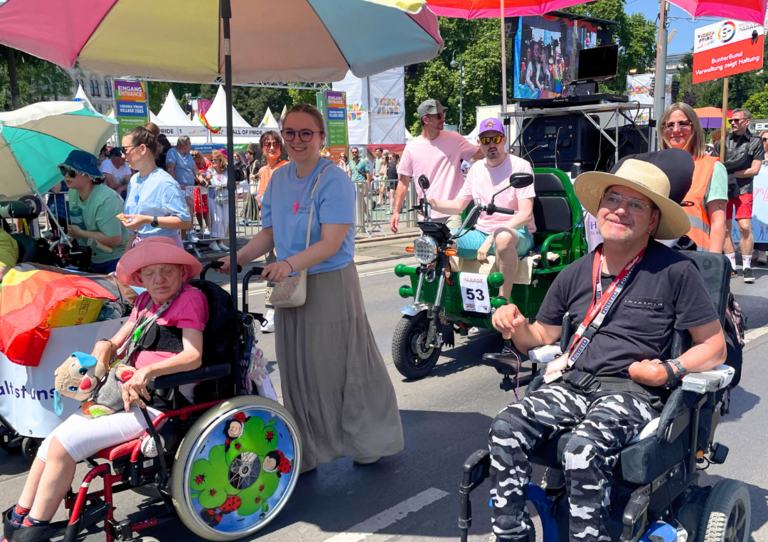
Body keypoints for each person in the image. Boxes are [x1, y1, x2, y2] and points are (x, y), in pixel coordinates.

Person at [486, 152, 726, 542]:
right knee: (505, 426)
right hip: (573, 384)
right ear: (599, 209)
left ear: (653, 220)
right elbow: (540, 336)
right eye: (612, 199)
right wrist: (513, 324)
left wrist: (668, 370)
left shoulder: (676, 271)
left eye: (635, 205)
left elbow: (714, 346)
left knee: (582, 449)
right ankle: (512, 535)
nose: (619, 210)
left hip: (633, 392)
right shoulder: (576, 272)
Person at [217, 104, 403, 472]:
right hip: (290, 283)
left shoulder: (335, 180)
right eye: (290, 132)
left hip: (329, 282)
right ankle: (307, 446)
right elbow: (269, 233)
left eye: (306, 133)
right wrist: (237, 258)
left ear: (321, 137)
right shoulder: (278, 178)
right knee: (297, 368)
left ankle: (367, 439)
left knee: (339, 365)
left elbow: (331, 243)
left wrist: (288, 263)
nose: (297, 140)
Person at [4, 237, 205, 540]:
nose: (158, 279)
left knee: (63, 445)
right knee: (51, 442)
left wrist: (148, 370)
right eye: (150, 273)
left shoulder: (190, 299)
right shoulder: (146, 302)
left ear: (181, 271)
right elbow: (119, 340)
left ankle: (35, 527)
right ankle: (22, 515)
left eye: (166, 271)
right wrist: (104, 345)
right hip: (124, 393)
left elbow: (193, 355)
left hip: (160, 401)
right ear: (140, 278)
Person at [429, 118, 535, 300]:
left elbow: (525, 214)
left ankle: (503, 302)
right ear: (479, 143)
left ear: (504, 139)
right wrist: (432, 202)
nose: (491, 144)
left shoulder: (520, 166)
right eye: (486, 140)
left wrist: (493, 236)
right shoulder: (476, 169)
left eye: (496, 139)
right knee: (439, 240)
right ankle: (453, 298)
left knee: (502, 238)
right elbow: (458, 205)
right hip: (481, 234)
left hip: (517, 234)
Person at [391, 99, 483, 233]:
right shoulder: (411, 148)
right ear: (426, 120)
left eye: (443, 114)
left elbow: (480, 154)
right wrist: (396, 212)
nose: (443, 119)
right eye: (439, 115)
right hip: (428, 213)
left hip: (453, 210)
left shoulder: (455, 139)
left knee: (451, 244)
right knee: (428, 247)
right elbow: (403, 182)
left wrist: (491, 142)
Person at [658, 103, 727, 253]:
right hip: (655, 256)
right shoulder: (653, 167)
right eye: (669, 125)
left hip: (694, 256)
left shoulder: (712, 167)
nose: (676, 130)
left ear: (694, 127)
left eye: (683, 124)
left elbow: (718, 222)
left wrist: (713, 262)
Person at [121, 127, 192, 249]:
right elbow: (134, 230)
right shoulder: (134, 180)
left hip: (164, 250)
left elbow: (184, 221)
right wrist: (126, 257)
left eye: (125, 149)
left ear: (142, 149)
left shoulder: (164, 182)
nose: (123, 155)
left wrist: (147, 220)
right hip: (141, 248)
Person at [715, 108, 764, 283]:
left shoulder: (755, 141)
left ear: (747, 122)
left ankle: (747, 266)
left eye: (737, 120)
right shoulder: (723, 142)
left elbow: (755, 170)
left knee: (744, 226)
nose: (733, 123)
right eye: (731, 121)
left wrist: (731, 173)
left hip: (744, 188)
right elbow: (716, 166)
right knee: (725, 227)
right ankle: (731, 265)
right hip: (724, 189)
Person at [60, 150, 129, 274]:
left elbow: (113, 239)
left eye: (72, 172)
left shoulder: (106, 199)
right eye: (64, 170)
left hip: (115, 260)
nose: (66, 176)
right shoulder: (73, 192)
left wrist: (80, 233)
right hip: (90, 256)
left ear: (89, 176)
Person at [255, 131, 289, 333]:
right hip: (269, 227)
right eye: (267, 144)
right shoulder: (263, 171)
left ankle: (277, 309)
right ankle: (272, 309)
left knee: (285, 267)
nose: (271, 147)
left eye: (275, 143)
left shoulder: (286, 168)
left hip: (285, 226)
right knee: (271, 267)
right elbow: (261, 197)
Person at [166, 136, 198, 244]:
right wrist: (177, 184)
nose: (191, 146)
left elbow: (195, 171)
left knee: (187, 212)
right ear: (184, 145)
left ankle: (183, 240)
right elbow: (170, 169)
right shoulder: (172, 152)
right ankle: (191, 231)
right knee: (189, 205)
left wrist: (203, 180)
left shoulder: (188, 155)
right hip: (178, 187)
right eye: (189, 144)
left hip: (189, 188)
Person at [205, 149, 230, 252]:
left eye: (215, 159)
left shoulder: (226, 171)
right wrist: (207, 178)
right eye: (212, 160)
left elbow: (234, 181)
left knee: (225, 220)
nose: (213, 161)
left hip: (225, 198)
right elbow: (206, 182)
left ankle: (221, 241)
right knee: (217, 220)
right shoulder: (210, 171)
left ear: (221, 161)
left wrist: (224, 184)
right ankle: (213, 241)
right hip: (213, 197)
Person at [191, 150, 212, 236]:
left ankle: (208, 227)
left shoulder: (207, 163)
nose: (196, 161)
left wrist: (206, 177)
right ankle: (201, 227)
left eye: (197, 159)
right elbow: (195, 176)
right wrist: (201, 176)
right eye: (194, 160)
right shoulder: (193, 164)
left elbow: (210, 173)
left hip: (205, 188)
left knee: (206, 209)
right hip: (196, 188)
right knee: (198, 209)